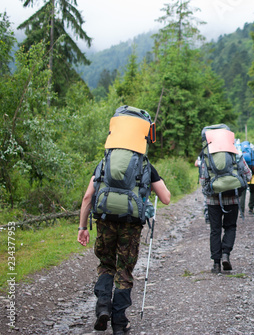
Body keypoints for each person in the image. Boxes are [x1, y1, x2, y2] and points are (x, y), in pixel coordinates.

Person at [77, 106, 171, 335]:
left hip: (105, 220)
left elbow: (88, 196)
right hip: (131, 224)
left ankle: (102, 308)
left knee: (106, 264)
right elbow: (166, 198)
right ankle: (119, 322)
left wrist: (82, 227)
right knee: (124, 271)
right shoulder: (145, 164)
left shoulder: (105, 162)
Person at [199, 142, 252, 274]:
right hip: (233, 198)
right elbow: (249, 175)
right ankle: (225, 255)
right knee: (230, 227)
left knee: (215, 230)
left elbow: (203, 180)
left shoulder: (208, 157)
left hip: (213, 200)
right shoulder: (236, 155)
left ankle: (216, 264)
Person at [240, 144, 254, 215]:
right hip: (252, 176)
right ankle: (250, 209)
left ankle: (242, 211)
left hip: (243, 176)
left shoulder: (241, 155)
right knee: (253, 192)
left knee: (242, 193)